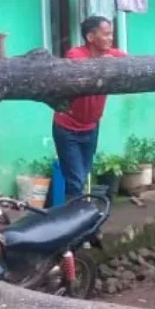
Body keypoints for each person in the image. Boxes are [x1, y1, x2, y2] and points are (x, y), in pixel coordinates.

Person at [53, 16, 127, 199]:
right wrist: (105, 63)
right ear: (90, 37)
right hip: (68, 128)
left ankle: (78, 218)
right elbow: (82, 68)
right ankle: (75, 221)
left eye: (112, 34)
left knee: (83, 176)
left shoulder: (112, 55)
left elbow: (131, 64)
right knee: (75, 180)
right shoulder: (75, 54)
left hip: (91, 127)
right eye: (106, 34)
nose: (110, 38)